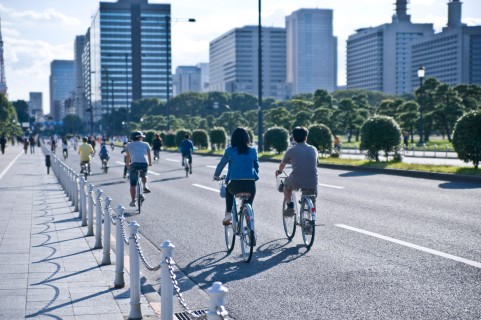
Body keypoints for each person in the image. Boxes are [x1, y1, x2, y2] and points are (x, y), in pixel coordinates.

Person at [213, 127, 259, 225]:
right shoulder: (253, 150)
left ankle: (228, 214)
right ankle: (249, 225)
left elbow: (221, 164)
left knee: (228, 191)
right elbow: (256, 166)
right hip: (251, 185)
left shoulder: (230, 151)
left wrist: (216, 175)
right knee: (248, 204)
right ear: (247, 138)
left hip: (235, 185)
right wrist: (255, 175)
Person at [275, 127, 318, 217]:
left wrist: (279, 171)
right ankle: (310, 220)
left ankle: (290, 205)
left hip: (296, 180)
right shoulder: (313, 149)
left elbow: (283, 164)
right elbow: (315, 162)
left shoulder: (291, 150)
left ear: (293, 138)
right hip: (312, 181)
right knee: (311, 197)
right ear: (306, 137)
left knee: (286, 187)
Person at [125, 131, 152, 207]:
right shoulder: (146, 144)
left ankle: (133, 201)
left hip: (134, 164)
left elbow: (128, 156)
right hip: (144, 163)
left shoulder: (129, 145)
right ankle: (145, 186)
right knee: (144, 174)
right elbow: (149, 154)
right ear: (140, 137)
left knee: (133, 184)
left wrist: (127, 165)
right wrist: (150, 163)